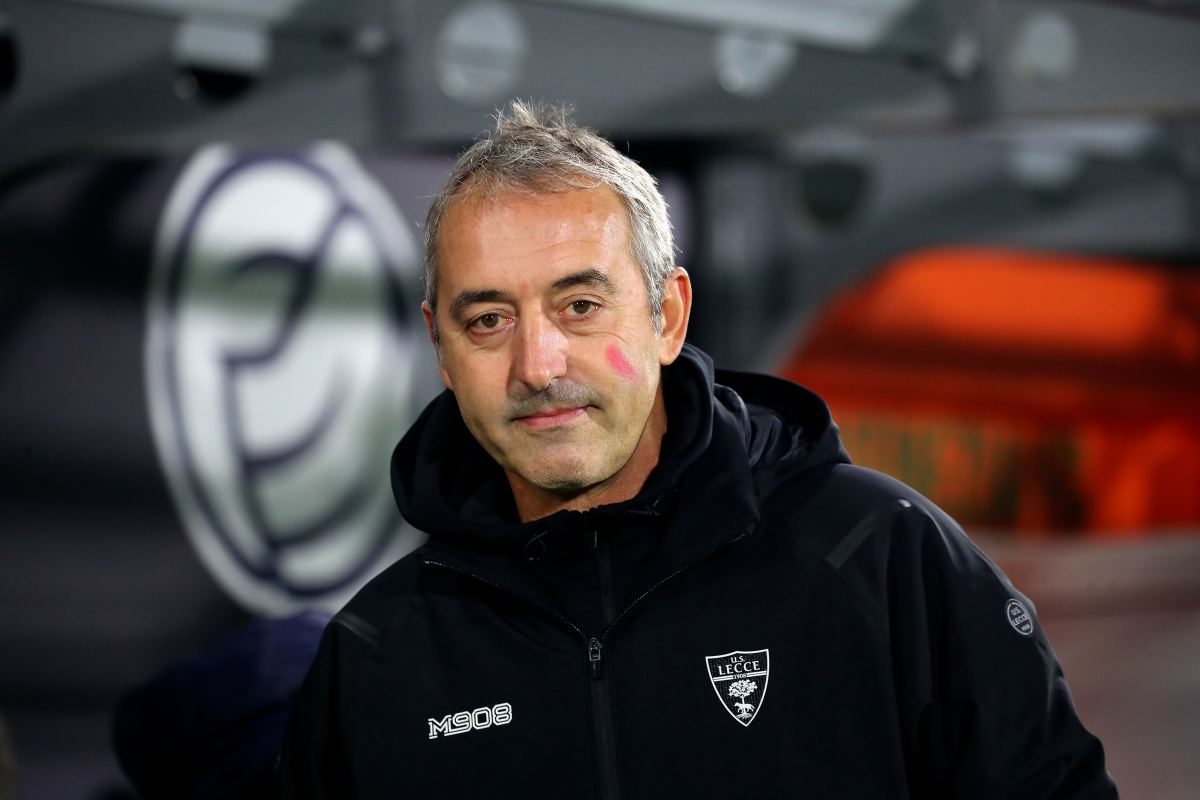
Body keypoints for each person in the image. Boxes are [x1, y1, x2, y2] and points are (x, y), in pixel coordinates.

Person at [278, 101, 1117, 798]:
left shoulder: (878, 557)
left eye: (579, 307)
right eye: (489, 320)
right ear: (441, 348)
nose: (537, 366)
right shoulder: (378, 656)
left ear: (668, 317)